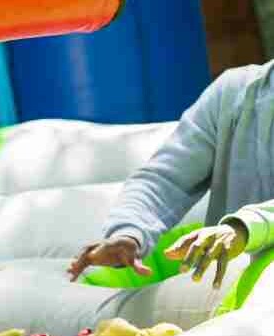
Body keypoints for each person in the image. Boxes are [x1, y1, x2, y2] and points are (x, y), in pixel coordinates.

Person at [69, 60, 274, 287]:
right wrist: (128, 233)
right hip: (228, 292)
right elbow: (165, 179)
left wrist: (244, 228)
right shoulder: (236, 92)